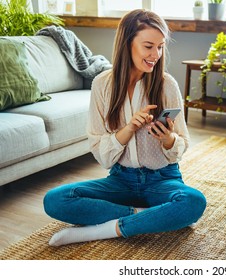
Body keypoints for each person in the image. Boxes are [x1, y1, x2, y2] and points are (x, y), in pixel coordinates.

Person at [43, 9, 207, 246]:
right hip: (121, 180)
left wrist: (168, 139)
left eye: (160, 47)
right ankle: (147, 216)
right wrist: (129, 128)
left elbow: (181, 144)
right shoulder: (102, 85)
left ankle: (101, 230)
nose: (156, 55)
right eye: (148, 46)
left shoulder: (166, 84)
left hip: (162, 179)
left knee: (193, 202)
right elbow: (102, 153)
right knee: (55, 200)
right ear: (127, 43)